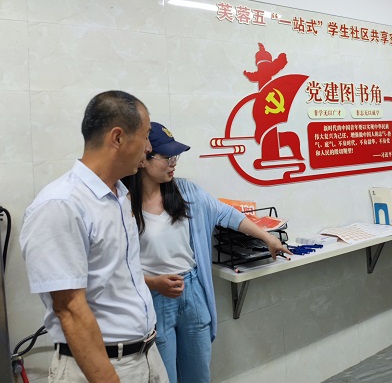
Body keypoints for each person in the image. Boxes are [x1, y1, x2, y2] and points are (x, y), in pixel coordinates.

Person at [122, 122, 291, 383]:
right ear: (143, 158)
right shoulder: (122, 203)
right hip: (154, 296)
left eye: (176, 157)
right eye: (167, 157)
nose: (173, 163)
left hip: (191, 290)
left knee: (198, 373)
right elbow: (116, 267)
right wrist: (153, 283)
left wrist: (268, 238)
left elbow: (226, 214)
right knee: (164, 376)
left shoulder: (186, 191)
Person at [20, 91, 169, 383]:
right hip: (99, 366)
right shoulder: (62, 204)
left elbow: (117, 276)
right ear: (118, 138)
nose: (149, 147)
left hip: (145, 355)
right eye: (145, 136)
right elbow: (69, 309)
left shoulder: (120, 195)